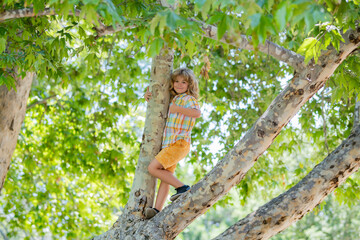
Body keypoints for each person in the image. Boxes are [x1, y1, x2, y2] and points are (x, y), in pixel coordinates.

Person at [144, 68, 201, 219]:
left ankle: (183, 188)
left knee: (152, 168)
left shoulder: (189, 99)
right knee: (166, 176)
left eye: (184, 82)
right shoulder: (172, 99)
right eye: (176, 81)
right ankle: (156, 210)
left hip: (179, 143)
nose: (179, 84)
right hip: (170, 145)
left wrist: (178, 109)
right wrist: (148, 96)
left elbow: (197, 113)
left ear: (189, 85)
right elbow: (160, 104)